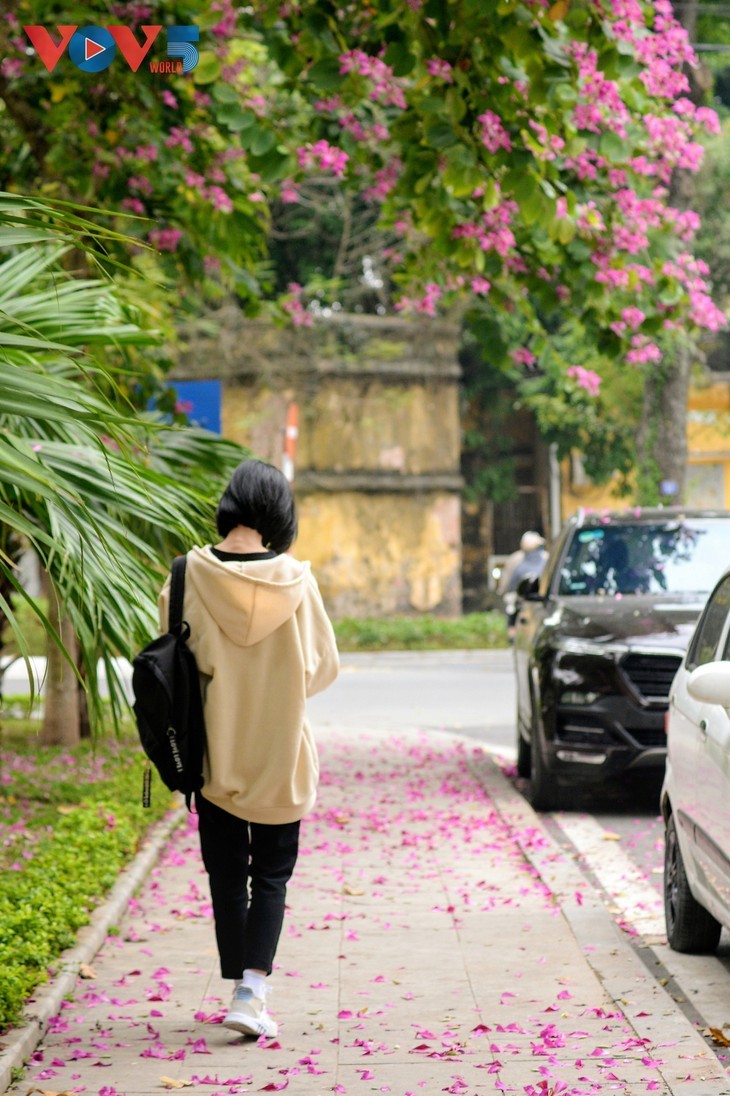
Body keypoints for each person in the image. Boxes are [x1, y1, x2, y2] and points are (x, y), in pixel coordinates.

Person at [158, 458, 339, 1039]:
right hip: (282, 755)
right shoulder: (298, 582)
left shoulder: (187, 576)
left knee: (226, 874)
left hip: (216, 757)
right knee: (274, 875)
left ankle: (241, 987)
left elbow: (168, 667)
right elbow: (321, 670)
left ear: (230, 504)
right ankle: (251, 991)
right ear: (280, 515)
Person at [497, 531, 548, 638]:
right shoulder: (517, 560)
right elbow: (509, 583)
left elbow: (508, 582)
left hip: (537, 599)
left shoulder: (544, 558)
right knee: (513, 614)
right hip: (527, 599)